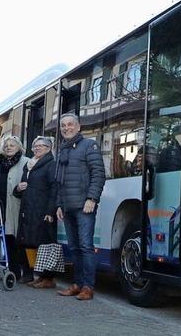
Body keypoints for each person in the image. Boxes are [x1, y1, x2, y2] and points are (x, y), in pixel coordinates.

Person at [55, 113, 105, 301]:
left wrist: (92, 198)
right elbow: (59, 181)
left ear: (78, 127)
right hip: (67, 206)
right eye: (63, 126)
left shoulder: (88, 145)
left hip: (84, 206)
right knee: (74, 247)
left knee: (86, 246)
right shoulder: (62, 150)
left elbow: (99, 173)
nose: (66, 128)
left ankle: (88, 287)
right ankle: (76, 284)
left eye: (70, 125)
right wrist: (59, 204)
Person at [16, 136, 58, 288]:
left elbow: (55, 188)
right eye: (35, 146)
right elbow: (22, 187)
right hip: (29, 209)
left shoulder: (50, 165)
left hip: (43, 210)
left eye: (41, 146)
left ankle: (48, 278)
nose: (37, 148)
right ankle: (39, 275)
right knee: (31, 242)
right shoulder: (30, 165)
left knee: (45, 244)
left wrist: (50, 211)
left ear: (48, 148)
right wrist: (18, 189)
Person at [0, 135, 29, 281]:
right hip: (2, 205)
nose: (9, 147)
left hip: (19, 206)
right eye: (6, 145)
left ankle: (27, 272)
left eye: (12, 145)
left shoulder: (27, 162)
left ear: (19, 148)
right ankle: (13, 272)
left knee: (20, 240)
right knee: (7, 238)